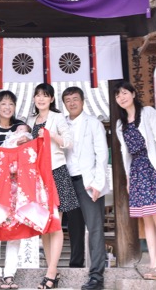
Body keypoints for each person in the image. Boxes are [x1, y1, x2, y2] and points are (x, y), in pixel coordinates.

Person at [113, 81, 156, 281]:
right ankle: (152, 264)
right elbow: (125, 152)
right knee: (147, 220)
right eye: (117, 95)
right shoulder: (120, 123)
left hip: (152, 166)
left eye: (124, 93)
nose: (121, 97)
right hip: (137, 171)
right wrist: (129, 178)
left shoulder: (147, 112)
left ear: (132, 93)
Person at [26, 83, 77, 290]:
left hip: (56, 172)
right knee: (44, 226)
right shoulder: (30, 120)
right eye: (38, 95)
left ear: (51, 99)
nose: (41, 99)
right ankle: (51, 269)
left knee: (55, 223)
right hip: (37, 175)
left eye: (45, 95)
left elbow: (68, 142)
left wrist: (50, 135)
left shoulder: (57, 118)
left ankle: (51, 273)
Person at [62, 87, 110, 290]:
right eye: (68, 100)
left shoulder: (94, 123)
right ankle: (75, 266)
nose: (72, 103)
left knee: (95, 227)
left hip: (88, 181)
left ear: (82, 101)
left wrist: (98, 183)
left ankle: (96, 276)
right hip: (67, 181)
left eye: (75, 99)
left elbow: (102, 155)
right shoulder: (61, 124)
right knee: (74, 229)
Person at [0, 90, 28, 290]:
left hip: (17, 184)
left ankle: (9, 274)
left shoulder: (21, 127)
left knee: (14, 230)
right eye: (3, 104)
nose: (7, 107)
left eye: (11, 104)